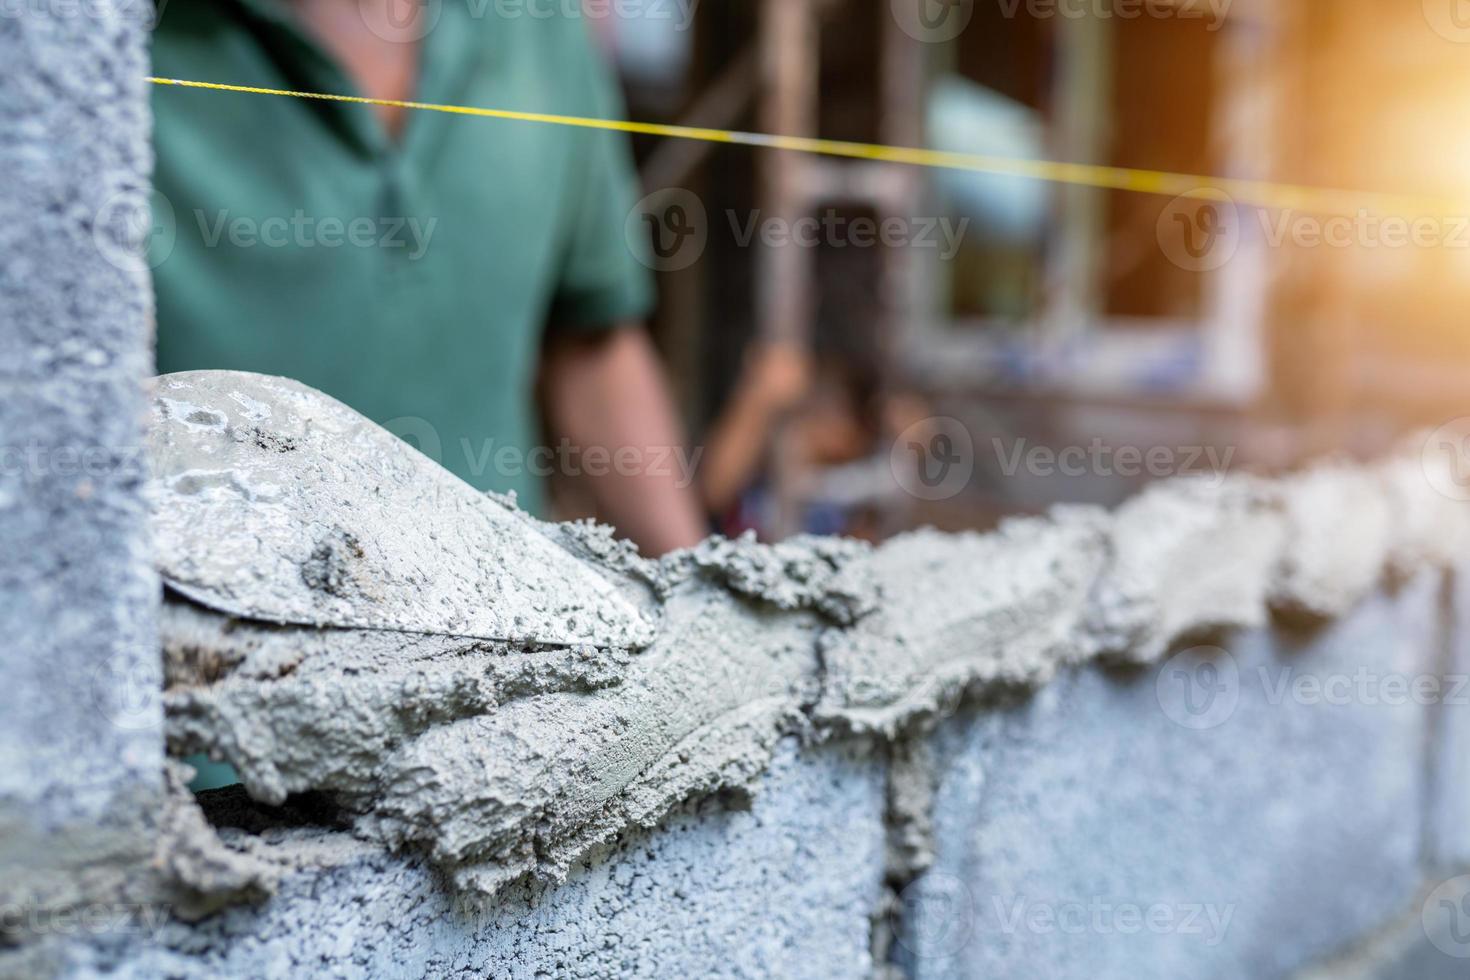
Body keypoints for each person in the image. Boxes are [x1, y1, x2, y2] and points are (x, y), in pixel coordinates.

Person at [149, 0, 706, 558]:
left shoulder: (541, 26)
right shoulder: (118, 42)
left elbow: (591, 346)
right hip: (210, 622)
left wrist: (701, 600)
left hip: (499, 614)